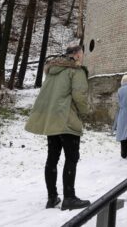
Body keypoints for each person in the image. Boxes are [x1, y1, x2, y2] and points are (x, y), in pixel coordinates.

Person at [25, 45, 91, 211]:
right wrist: (85, 112)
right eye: (81, 54)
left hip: (52, 121)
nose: (82, 57)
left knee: (52, 158)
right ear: (76, 55)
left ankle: (52, 197)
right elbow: (79, 95)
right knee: (71, 158)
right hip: (67, 120)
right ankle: (69, 198)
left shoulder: (52, 71)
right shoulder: (76, 71)